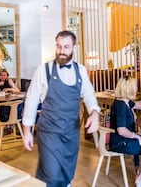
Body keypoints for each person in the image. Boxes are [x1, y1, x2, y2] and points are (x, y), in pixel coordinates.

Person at [22, 30, 100, 186]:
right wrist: (27, 131)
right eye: (58, 47)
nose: (61, 51)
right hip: (49, 132)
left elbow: (89, 95)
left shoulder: (81, 70)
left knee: (67, 174)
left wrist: (95, 113)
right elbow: (31, 101)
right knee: (52, 175)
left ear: (74, 48)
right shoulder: (43, 70)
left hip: (71, 132)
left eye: (66, 47)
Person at [109, 76, 141, 187]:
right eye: (135, 85)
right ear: (129, 88)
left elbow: (136, 104)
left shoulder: (124, 101)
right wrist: (136, 136)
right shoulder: (121, 106)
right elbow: (121, 130)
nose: (137, 87)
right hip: (121, 142)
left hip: (124, 138)